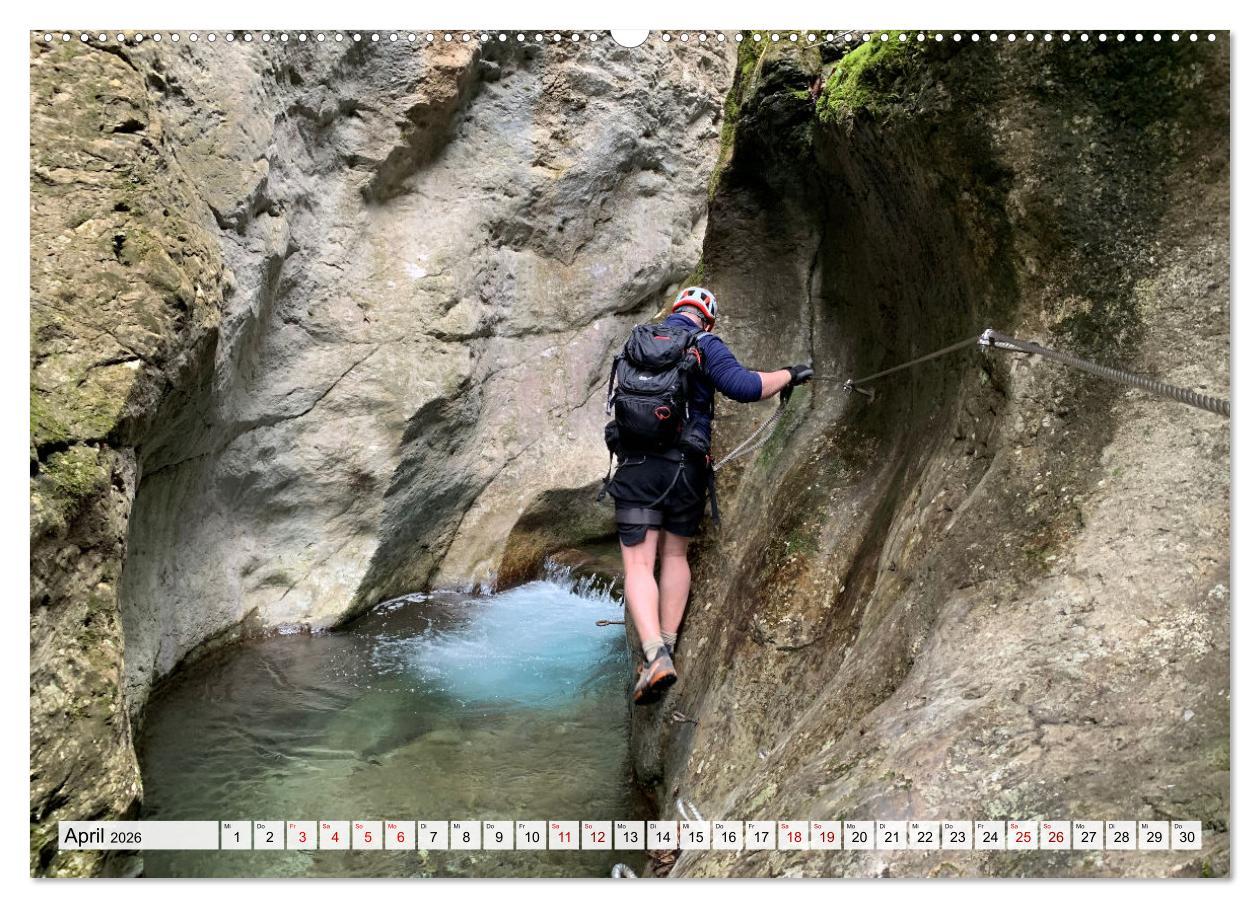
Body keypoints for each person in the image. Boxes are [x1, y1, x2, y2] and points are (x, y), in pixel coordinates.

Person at [602, 286, 813, 705]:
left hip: (636, 468)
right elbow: (746, 386)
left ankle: (654, 657)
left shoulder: (638, 341)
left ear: (677, 309)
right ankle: (666, 645)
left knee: (640, 564)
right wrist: (790, 373)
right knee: (675, 555)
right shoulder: (704, 343)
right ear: (707, 318)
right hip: (686, 471)